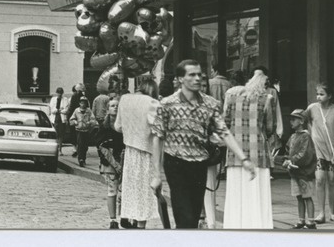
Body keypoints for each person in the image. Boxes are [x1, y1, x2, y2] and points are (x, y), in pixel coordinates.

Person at [150, 59, 255, 229]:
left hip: (199, 165)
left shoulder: (211, 104)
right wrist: (156, 174)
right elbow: (157, 137)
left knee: (193, 215)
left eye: (200, 75)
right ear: (180, 79)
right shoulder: (167, 104)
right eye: (192, 75)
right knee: (184, 214)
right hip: (176, 164)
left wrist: (244, 159)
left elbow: (224, 132)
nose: (197, 78)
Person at [221, 70, 276, 229]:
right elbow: (269, 127)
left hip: (235, 151)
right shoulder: (266, 99)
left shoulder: (231, 97)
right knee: (257, 192)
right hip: (258, 152)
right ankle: (259, 225)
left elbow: (225, 122)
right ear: (264, 85)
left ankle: (234, 225)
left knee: (236, 192)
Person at [114, 77, 160, 229]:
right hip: (146, 151)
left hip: (130, 151)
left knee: (131, 188)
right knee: (144, 191)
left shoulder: (124, 99)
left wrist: (131, 129)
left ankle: (130, 218)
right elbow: (157, 132)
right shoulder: (152, 103)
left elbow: (117, 127)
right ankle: (141, 225)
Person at [304, 82, 334, 224]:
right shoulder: (312, 108)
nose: (318, 97)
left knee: (332, 180)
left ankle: (332, 212)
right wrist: (311, 134)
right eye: (317, 94)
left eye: (322, 94)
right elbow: (304, 120)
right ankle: (321, 213)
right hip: (317, 150)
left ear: (330, 96)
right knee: (320, 180)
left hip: (332, 151)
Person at [284, 109, 317, 229]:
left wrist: (292, 160)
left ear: (302, 121)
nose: (291, 121)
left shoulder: (306, 136)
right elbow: (288, 150)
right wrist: (286, 159)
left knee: (307, 196)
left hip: (304, 172)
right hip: (294, 172)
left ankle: (311, 221)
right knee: (299, 196)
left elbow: (305, 154)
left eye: (294, 119)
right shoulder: (293, 136)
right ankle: (301, 219)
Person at [97, 97, 124, 229]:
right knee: (112, 190)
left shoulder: (123, 125)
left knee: (124, 191)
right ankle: (113, 220)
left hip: (124, 162)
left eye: (117, 105)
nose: (115, 107)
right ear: (108, 109)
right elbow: (103, 147)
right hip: (110, 164)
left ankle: (124, 216)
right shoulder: (105, 127)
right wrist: (115, 164)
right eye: (112, 106)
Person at [69, 95, 98, 167]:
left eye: (84, 103)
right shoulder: (76, 110)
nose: (83, 104)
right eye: (81, 103)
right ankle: (80, 159)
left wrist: (90, 122)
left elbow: (93, 119)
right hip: (79, 130)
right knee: (80, 144)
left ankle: (83, 158)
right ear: (79, 103)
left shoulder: (89, 111)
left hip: (86, 130)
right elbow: (72, 119)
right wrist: (75, 122)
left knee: (85, 146)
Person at [48, 87, 70, 154]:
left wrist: (59, 110)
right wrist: (59, 110)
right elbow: (52, 110)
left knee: (61, 135)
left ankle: (60, 149)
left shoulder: (65, 99)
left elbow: (66, 110)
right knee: (55, 135)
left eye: (60, 93)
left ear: (62, 93)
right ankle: (55, 149)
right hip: (54, 119)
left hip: (61, 119)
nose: (59, 94)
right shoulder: (53, 99)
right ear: (56, 93)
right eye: (58, 93)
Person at [66, 83, 86, 156]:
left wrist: (69, 117)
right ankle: (78, 148)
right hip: (79, 117)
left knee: (74, 133)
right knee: (79, 133)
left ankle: (75, 148)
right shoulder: (83, 97)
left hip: (74, 117)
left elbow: (71, 108)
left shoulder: (74, 96)